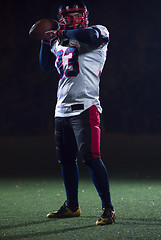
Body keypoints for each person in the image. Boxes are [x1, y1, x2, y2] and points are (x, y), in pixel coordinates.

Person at [39, 0, 116, 225]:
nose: (73, 18)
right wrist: (46, 40)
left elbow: (90, 38)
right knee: (65, 159)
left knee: (91, 157)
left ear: (85, 15)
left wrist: (61, 32)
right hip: (62, 108)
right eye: (68, 15)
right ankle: (72, 206)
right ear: (61, 17)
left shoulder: (99, 32)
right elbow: (44, 66)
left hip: (86, 106)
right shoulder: (58, 40)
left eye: (77, 14)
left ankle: (108, 208)